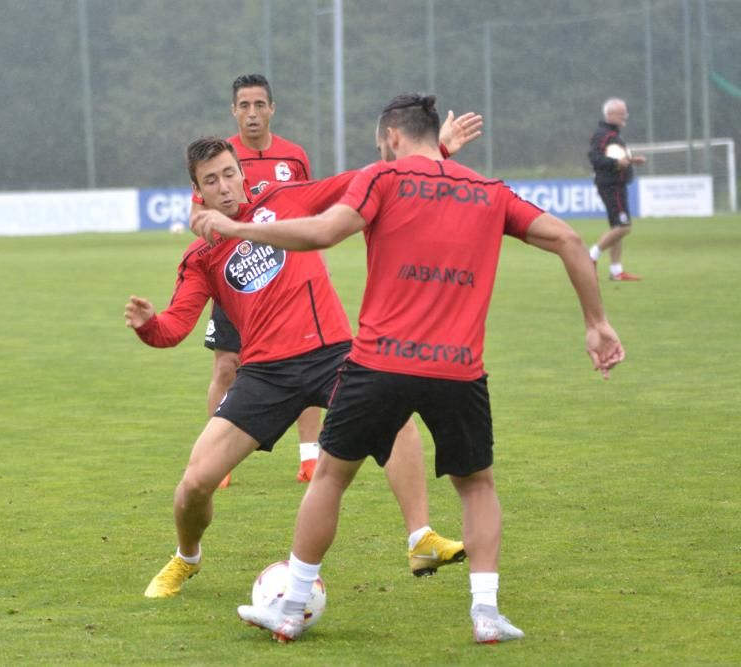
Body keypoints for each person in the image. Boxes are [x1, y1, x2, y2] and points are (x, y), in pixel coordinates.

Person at [193, 93, 625, 644]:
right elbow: (567, 238)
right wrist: (596, 323)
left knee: (330, 476)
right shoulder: (489, 191)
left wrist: (238, 230)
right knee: (476, 486)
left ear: (392, 139)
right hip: (458, 367)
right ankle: (486, 613)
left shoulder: (385, 179)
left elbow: (324, 231)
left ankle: (291, 604)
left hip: (378, 363)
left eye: (382, 145)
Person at [126, 113, 480, 600]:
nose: (225, 186)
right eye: (212, 180)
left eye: (230, 173)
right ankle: (187, 557)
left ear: (242, 174)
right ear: (197, 191)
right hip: (265, 375)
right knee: (193, 484)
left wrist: (433, 152)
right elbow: (173, 329)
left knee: (396, 418)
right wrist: (148, 324)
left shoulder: (284, 200)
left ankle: (420, 538)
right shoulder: (201, 256)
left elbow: (360, 182)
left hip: (332, 354)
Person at [205, 74, 319, 486]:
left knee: (307, 364)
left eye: (259, 105)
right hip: (238, 279)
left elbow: (307, 210)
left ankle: (310, 458)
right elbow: (198, 217)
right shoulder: (220, 158)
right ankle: (219, 461)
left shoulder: (295, 157)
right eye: (244, 106)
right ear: (233, 111)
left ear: (272, 109)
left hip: (288, 281)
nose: (252, 114)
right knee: (227, 365)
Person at [587, 97, 647, 281]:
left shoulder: (612, 135)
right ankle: (590, 257)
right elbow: (595, 158)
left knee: (617, 228)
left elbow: (616, 158)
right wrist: (616, 162)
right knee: (623, 227)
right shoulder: (603, 134)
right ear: (610, 115)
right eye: (622, 114)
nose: (625, 117)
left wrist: (631, 160)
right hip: (611, 185)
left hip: (616, 184)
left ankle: (616, 271)